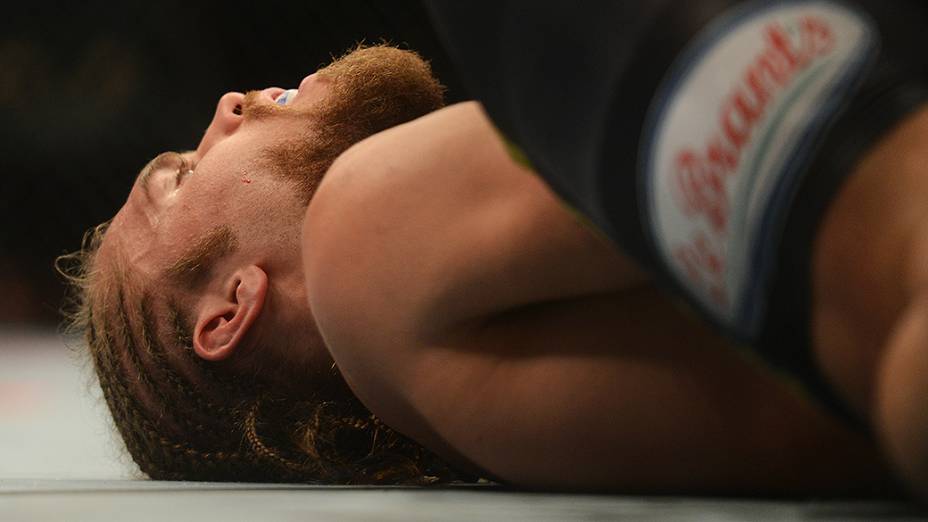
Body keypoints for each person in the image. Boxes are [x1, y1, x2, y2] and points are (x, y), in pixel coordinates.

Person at [59, 32, 904, 494]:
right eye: (178, 177)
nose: (224, 108)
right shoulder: (368, 251)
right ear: (231, 307)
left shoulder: (494, 375)